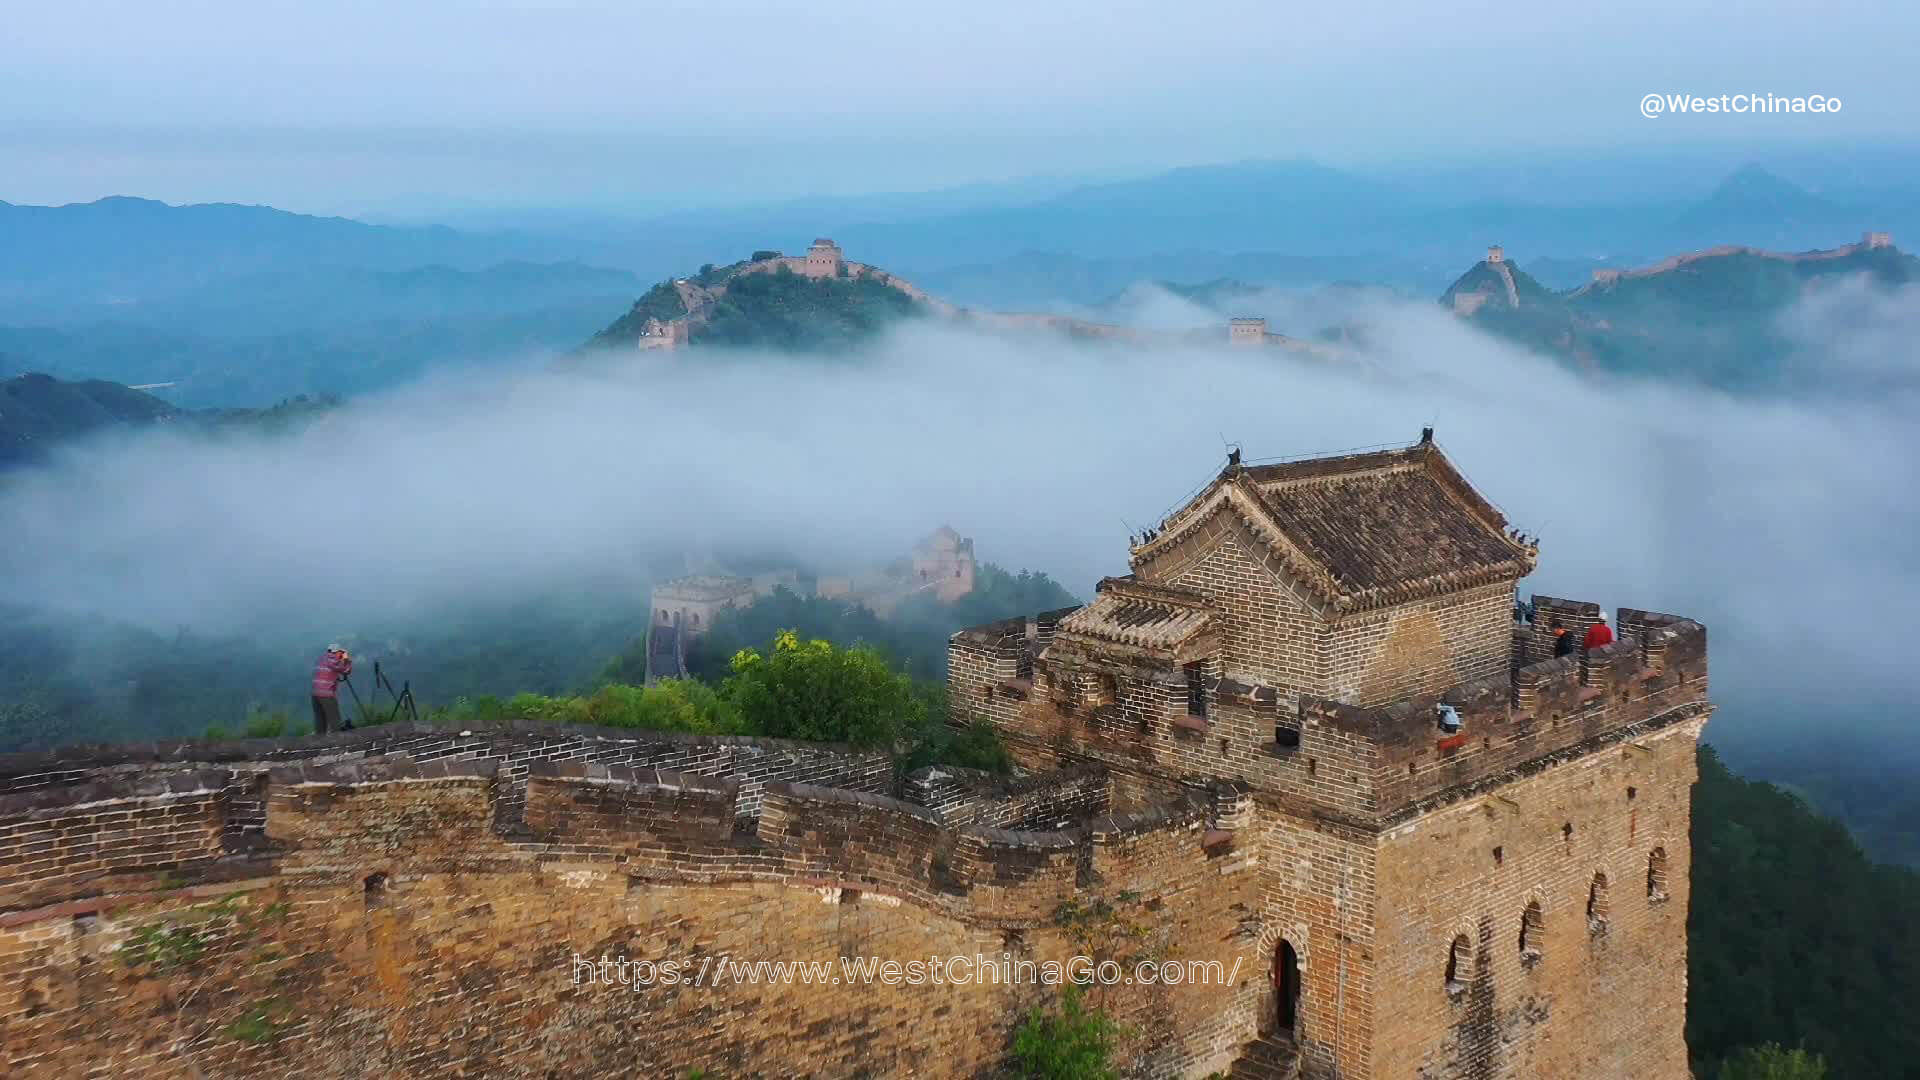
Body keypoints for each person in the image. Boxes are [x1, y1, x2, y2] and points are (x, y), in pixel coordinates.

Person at [311, 644, 353, 733]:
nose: (341, 654)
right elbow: (347, 670)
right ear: (336, 652)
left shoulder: (322, 658)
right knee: (334, 719)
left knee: (320, 719)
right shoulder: (333, 660)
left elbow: (333, 670)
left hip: (315, 693)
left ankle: (320, 740)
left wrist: (340, 660)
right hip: (326, 694)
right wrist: (346, 659)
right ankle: (338, 741)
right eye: (340, 652)